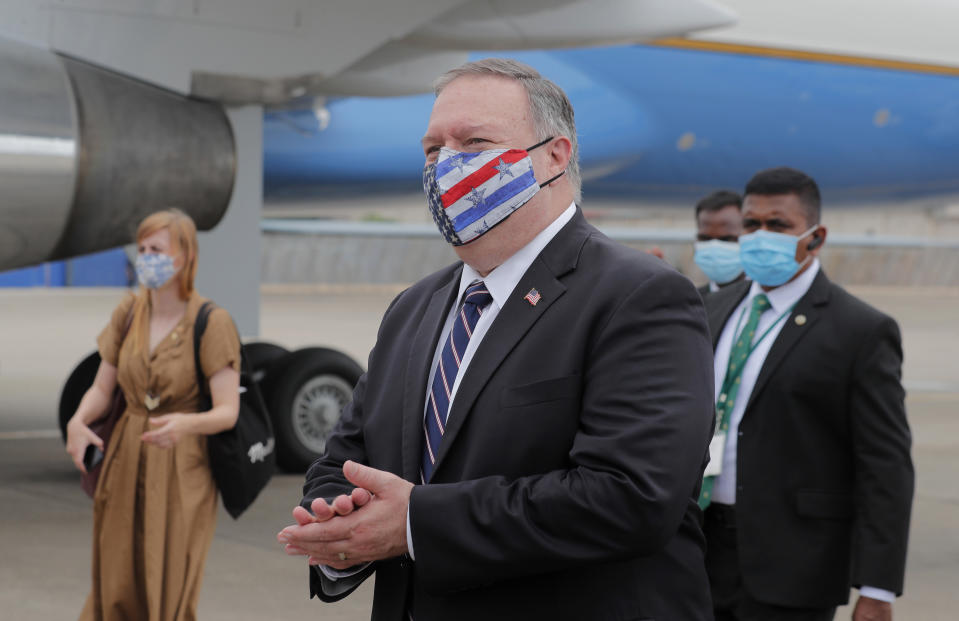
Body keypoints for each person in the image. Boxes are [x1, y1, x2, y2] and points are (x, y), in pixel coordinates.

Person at [277, 58, 716, 620]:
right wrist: (341, 527)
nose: (447, 165)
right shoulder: (415, 307)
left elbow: (630, 498)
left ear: (555, 157)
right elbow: (347, 457)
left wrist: (413, 524)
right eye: (433, 149)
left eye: (474, 142)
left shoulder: (641, 296)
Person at [700, 167, 914, 621]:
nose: (761, 236)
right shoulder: (710, 308)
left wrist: (877, 589)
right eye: (752, 225)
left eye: (778, 225)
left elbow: (885, 464)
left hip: (793, 565)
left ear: (815, 237)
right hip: (695, 552)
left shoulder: (860, 330)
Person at [65, 208, 242, 621]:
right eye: (142, 248)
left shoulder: (211, 322)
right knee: (115, 576)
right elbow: (102, 388)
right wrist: (78, 421)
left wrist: (186, 424)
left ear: (184, 256)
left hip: (182, 463)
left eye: (156, 249)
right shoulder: (129, 312)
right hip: (125, 455)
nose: (146, 257)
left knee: (169, 578)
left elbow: (228, 411)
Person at [693, 189, 745, 296]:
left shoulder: (761, 303)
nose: (714, 247)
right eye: (706, 239)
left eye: (726, 240)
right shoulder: (690, 302)